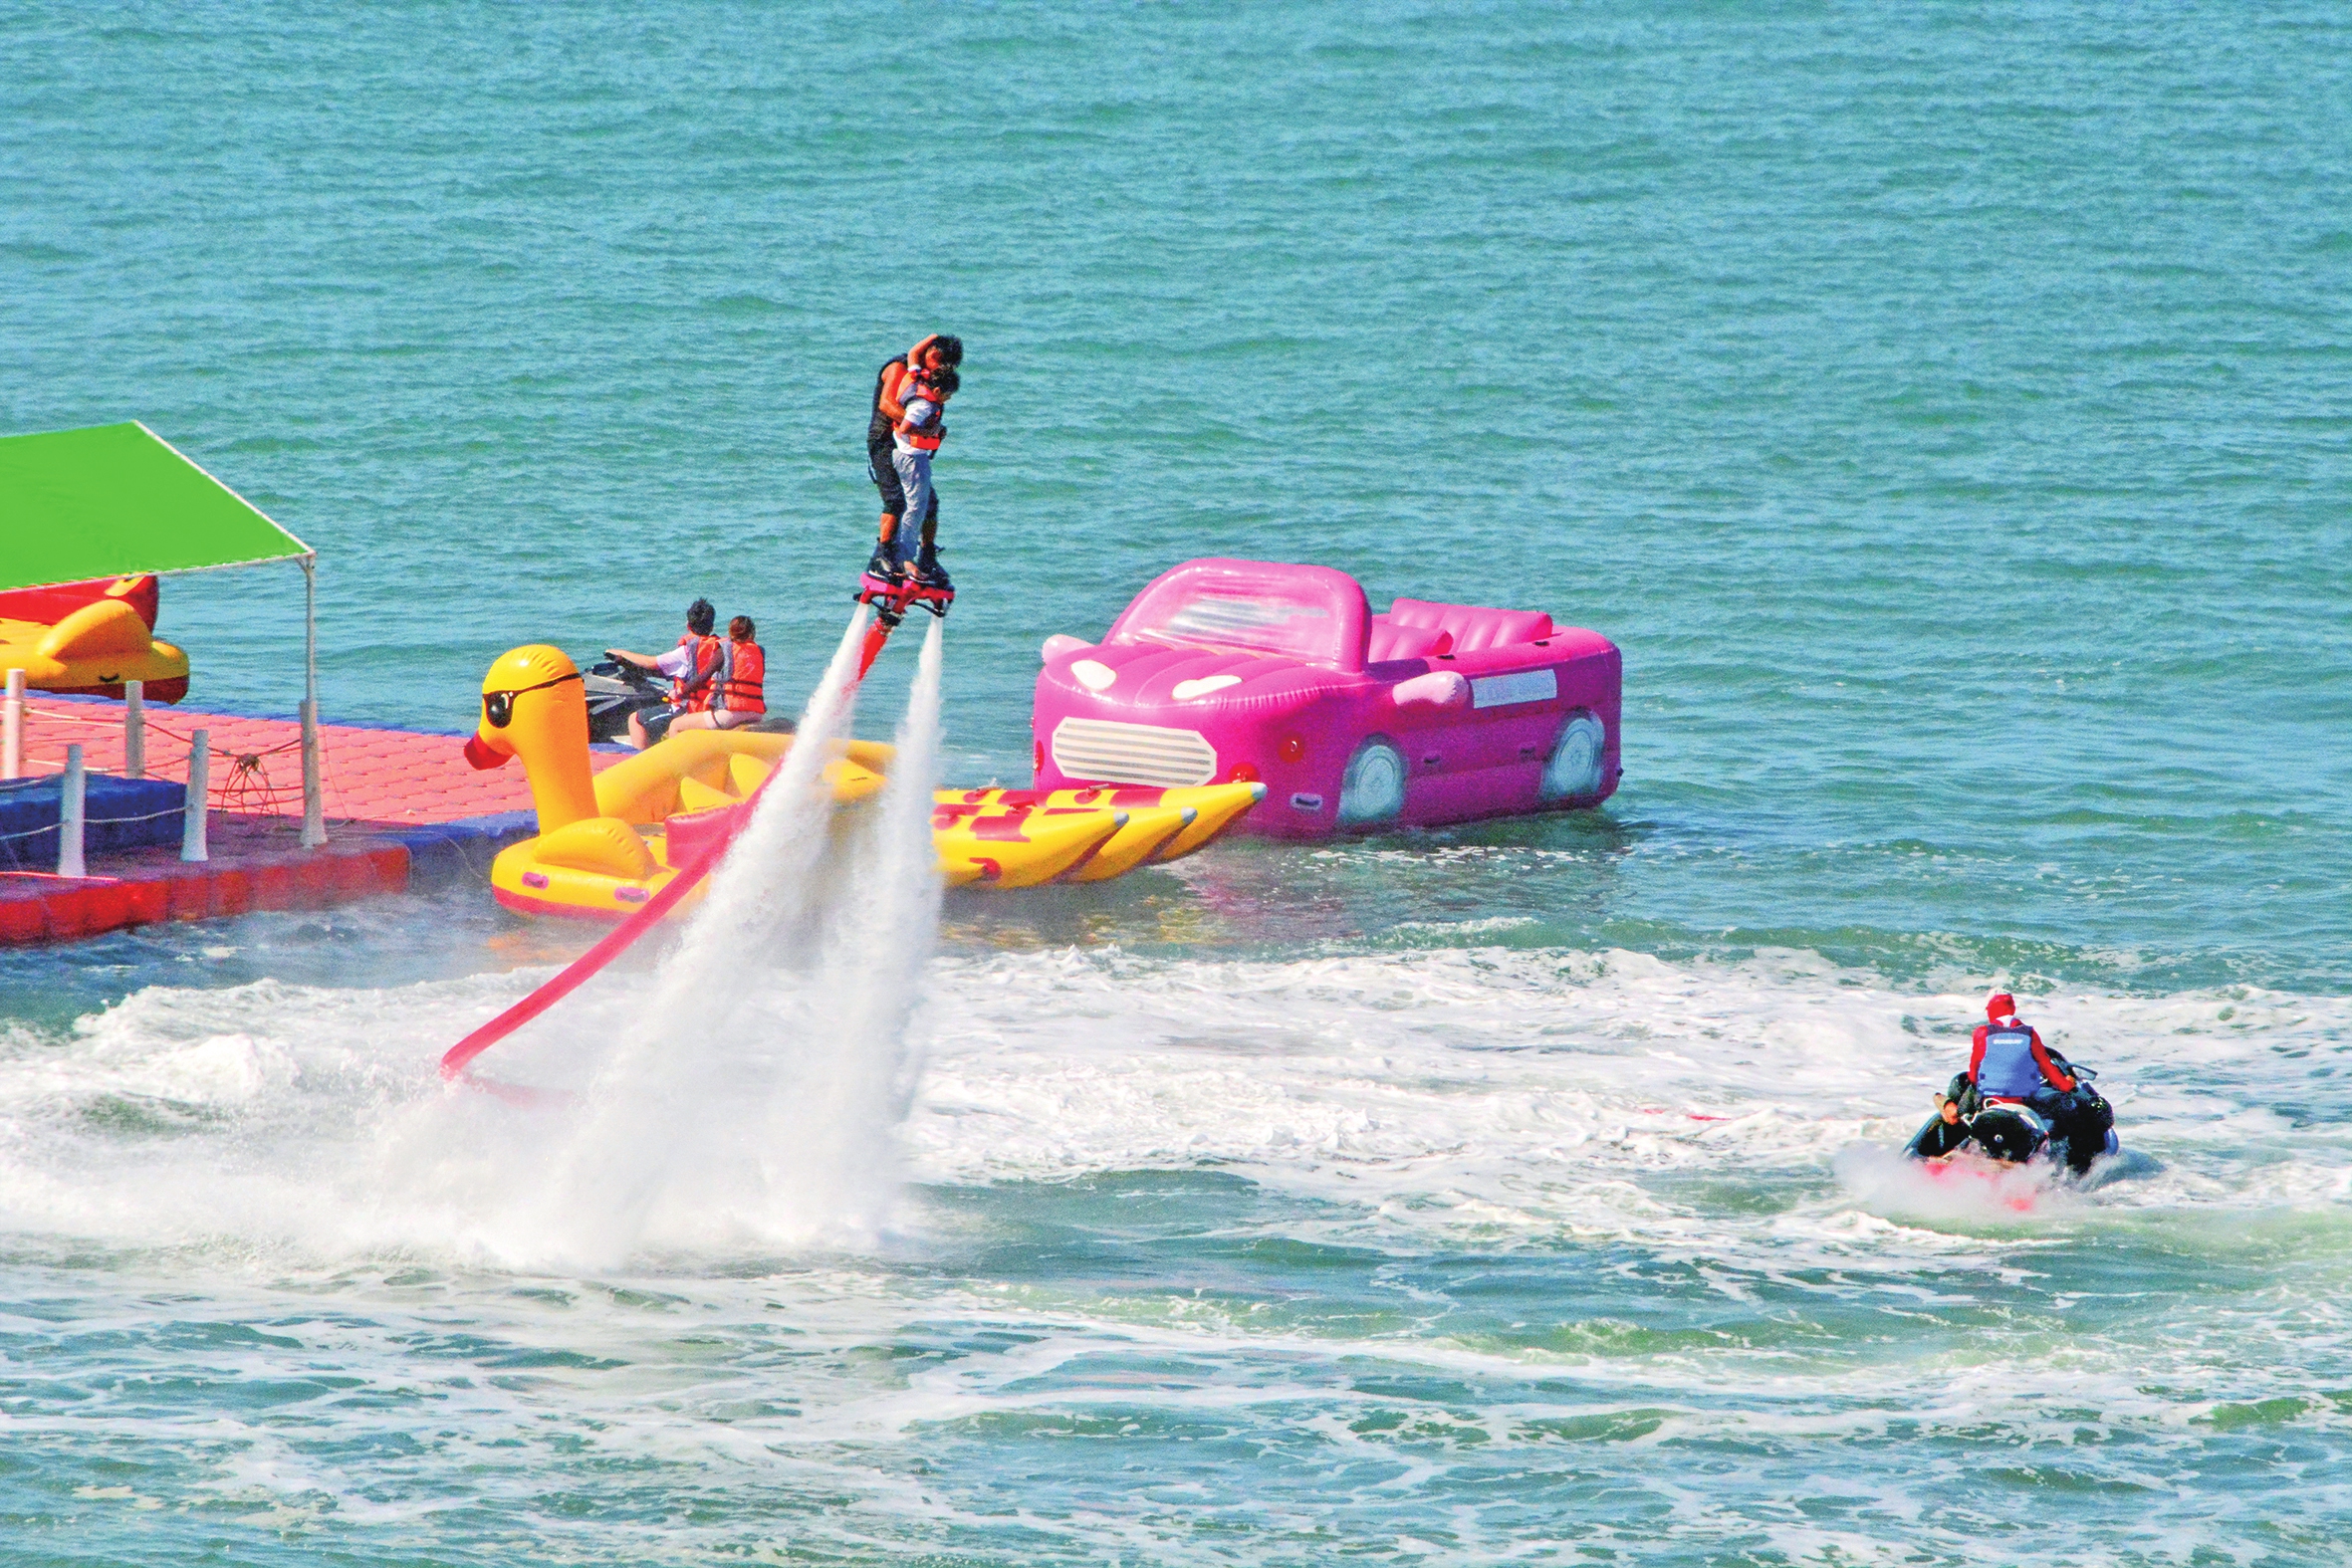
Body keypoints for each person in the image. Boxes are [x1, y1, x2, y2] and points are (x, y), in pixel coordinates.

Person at [867, 332, 964, 585]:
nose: (941, 372)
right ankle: (883, 555)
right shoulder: (899, 367)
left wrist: (934, 430)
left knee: (929, 503)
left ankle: (927, 556)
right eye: (941, 365)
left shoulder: (928, 376)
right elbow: (887, 406)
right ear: (933, 355)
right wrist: (920, 428)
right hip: (885, 442)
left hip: (910, 448)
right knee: (896, 501)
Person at [606, 597, 723, 750]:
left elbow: (651, 663)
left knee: (635, 719)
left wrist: (620, 653)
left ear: (688, 625)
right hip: (713, 708)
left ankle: (645, 764)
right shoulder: (719, 648)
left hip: (689, 708)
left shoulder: (686, 651)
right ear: (712, 625)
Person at [885, 365, 958, 589]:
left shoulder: (926, 402)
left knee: (923, 505)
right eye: (947, 395)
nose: (948, 399)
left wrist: (937, 430)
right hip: (912, 460)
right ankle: (905, 558)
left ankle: (910, 554)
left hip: (913, 458)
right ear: (936, 390)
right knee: (916, 508)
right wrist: (930, 433)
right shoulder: (922, 405)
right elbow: (905, 428)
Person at [667, 614, 766, 734]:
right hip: (756, 713)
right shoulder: (759, 652)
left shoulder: (724, 650)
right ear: (752, 633)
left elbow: (703, 677)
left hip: (730, 714)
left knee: (675, 725)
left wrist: (679, 692)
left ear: (731, 632)